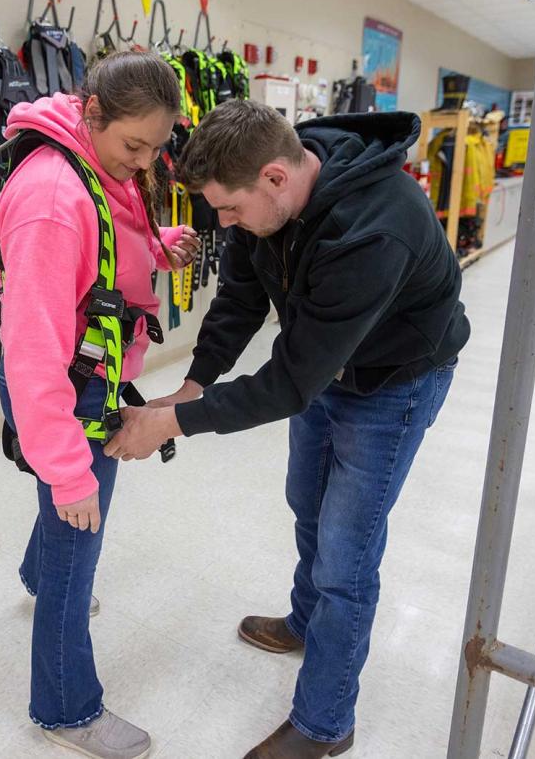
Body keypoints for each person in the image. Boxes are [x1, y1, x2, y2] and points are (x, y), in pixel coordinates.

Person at [105, 100, 469, 759]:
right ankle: (306, 620)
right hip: (328, 365)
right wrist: (196, 381)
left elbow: (289, 380)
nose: (223, 223)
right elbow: (242, 296)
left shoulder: (373, 230)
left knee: (346, 550)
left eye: (230, 209)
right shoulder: (265, 186)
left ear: (275, 177)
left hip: (395, 380)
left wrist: (171, 423)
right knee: (308, 501)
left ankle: (326, 723)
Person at [0, 50, 200, 759]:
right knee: (78, 539)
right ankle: (65, 706)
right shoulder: (52, 200)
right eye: (131, 145)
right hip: (62, 389)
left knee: (65, 532)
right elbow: (30, 353)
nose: (143, 164)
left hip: (89, 375)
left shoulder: (95, 166)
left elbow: (107, 241)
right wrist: (67, 470)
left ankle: (35, 571)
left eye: (155, 147)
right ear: (90, 114)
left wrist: (160, 248)